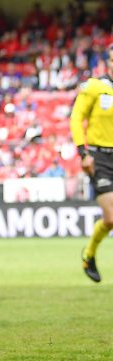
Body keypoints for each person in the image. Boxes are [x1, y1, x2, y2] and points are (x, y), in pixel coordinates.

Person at [71, 44, 113, 283]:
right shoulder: (95, 87)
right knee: (111, 218)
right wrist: (82, 152)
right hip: (101, 158)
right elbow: (77, 118)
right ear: (109, 62)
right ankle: (89, 254)